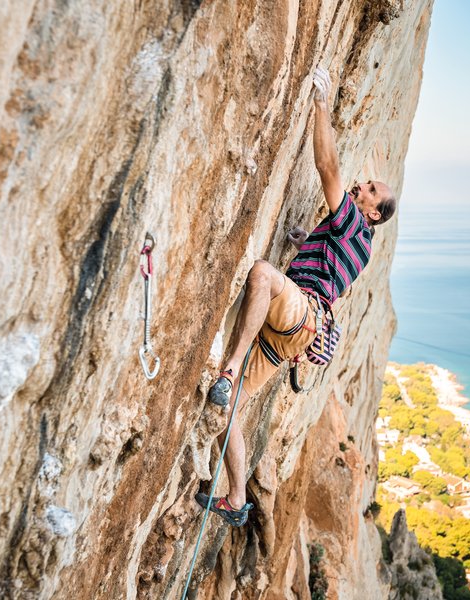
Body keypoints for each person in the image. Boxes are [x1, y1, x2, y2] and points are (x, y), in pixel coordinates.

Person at [196, 67, 397, 526]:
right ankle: (235, 499)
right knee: (230, 412)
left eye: (370, 190)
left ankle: (230, 367)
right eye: (367, 183)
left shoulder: (353, 222)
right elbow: (330, 269)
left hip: (300, 314)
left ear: (372, 213)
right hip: (295, 334)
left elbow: (328, 169)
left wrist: (322, 104)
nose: (362, 185)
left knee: (263, 275)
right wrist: (308, 242)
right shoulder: (359, 245)